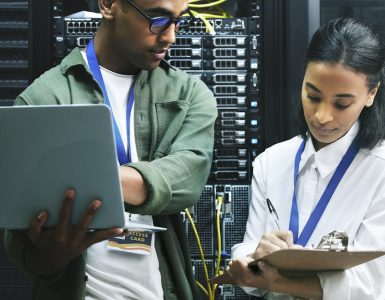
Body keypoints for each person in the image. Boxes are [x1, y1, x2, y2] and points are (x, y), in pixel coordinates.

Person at [3, 0, 217, 299]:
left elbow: (188, 177)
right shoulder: (42, 98)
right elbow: (20, 247)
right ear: (109, 5)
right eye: (157, 19)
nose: (170, 37)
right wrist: (54, 254)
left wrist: (93, 182)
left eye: (178, 21)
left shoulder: (189, 95)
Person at [227, 18, 385, 299]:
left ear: (371, 94)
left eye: (342, 104)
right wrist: (255, 255)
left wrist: (276, 281)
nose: (322, 116)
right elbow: (246, 254)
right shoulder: (272, 161)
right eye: (312, 96)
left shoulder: (380, 169)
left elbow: (370, 286)